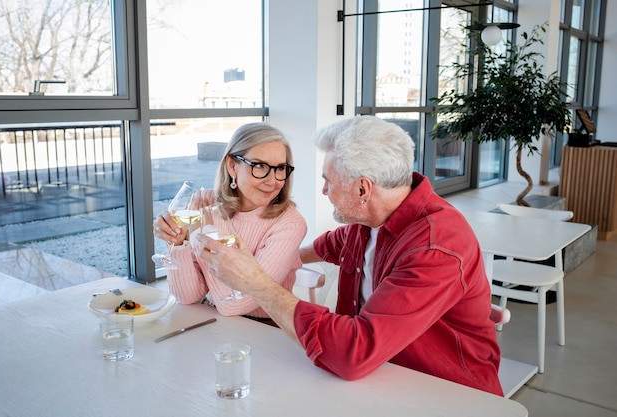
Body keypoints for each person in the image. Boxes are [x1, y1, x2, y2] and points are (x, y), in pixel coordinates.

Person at [198, 115, 504, 396]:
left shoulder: (435, 248)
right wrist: (277, 256)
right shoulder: (371, 218)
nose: (323, 191)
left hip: (445, 393)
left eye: (328, 181)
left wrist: (257, 283)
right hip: (380, 377)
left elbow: (353, 353)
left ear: (362, 189)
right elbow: (334, 243)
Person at [153, 122, 307, 321]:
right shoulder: (204, 206)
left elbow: (233, 304)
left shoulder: (290, 224)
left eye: (280, 168)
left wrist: (212, 223)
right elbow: (186, 296)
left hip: (265, 332)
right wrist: (178, 242)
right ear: (232, 166)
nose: (273, 180)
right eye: (259, 166)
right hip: (213, 323)